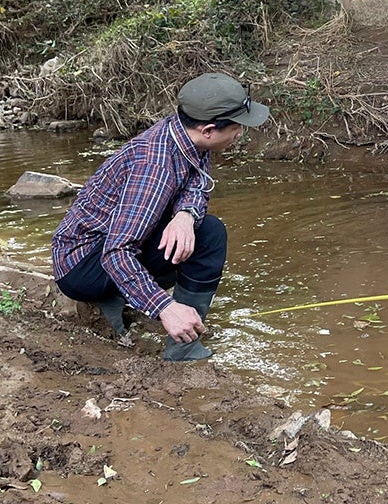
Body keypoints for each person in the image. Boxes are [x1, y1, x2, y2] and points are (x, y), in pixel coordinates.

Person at [51, 73, 269, 360]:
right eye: (238, 127)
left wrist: (185, 215)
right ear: (209, 130)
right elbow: (116, 252)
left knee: (208, 231)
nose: (240, 133)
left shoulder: (186, 135)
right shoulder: (155, 168)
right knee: (209, 238)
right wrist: (164, 307)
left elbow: (198, 183)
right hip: (83, 264)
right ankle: (170, 327)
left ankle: (182, 343)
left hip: (109, 244)